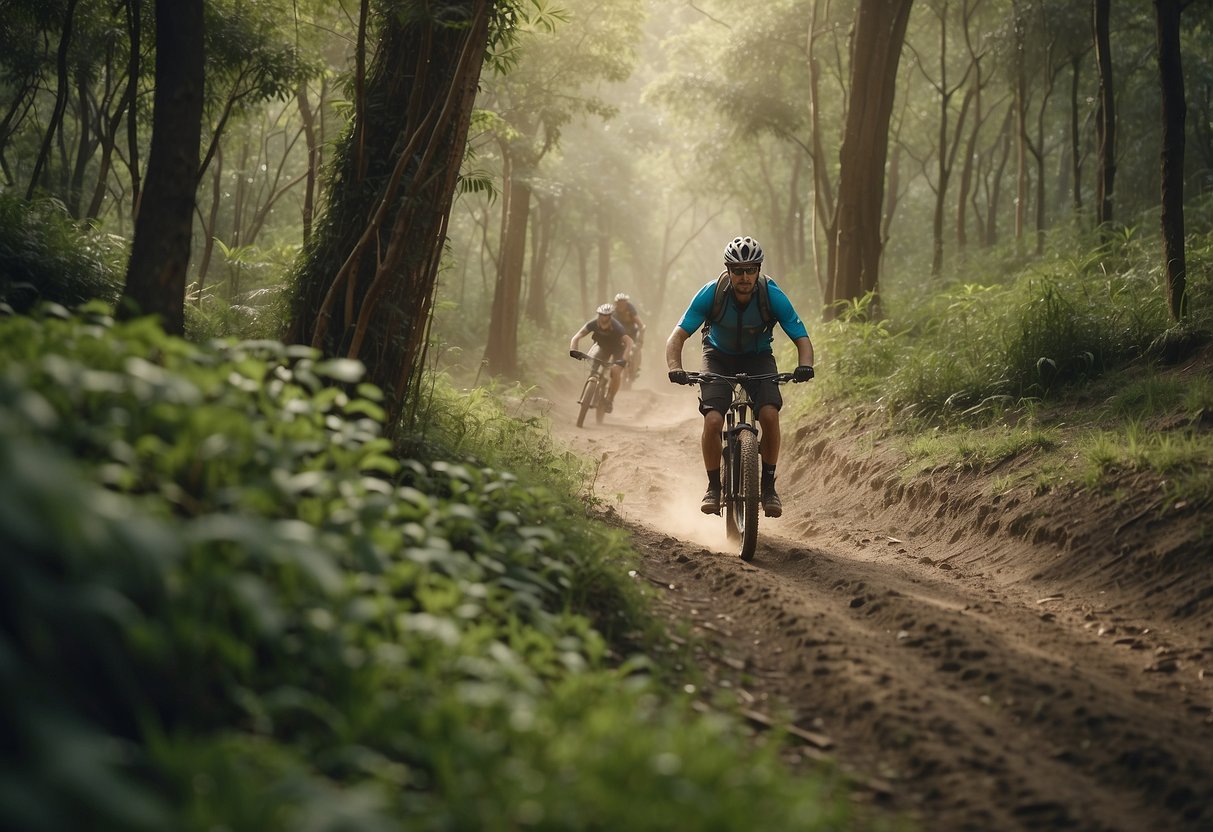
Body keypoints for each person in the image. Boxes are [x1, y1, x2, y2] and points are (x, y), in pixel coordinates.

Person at [665, 235, 814, 518]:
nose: (744, 276)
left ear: (758, 269)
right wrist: (675, 366)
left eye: (750, 269)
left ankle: (768, 488)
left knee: (769, 415)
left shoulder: (772, 295)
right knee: (713, 420)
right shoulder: (712, 293)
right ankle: (713, 487)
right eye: (737, 271)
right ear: (728, 271)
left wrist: (805, 364)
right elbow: (678, 336)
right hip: (717, 355)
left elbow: (801, 337)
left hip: (758, 357)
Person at [570, 302, 634, 413]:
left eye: (607, 316)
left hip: (617, 349)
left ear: (610, 316)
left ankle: (610, 399)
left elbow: (629, 342)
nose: (604, 318)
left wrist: (624, 358)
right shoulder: (593, 324)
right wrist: (573, 350)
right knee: (593, 365)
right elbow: (576, 337)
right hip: (602, 347)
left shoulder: (617, 326)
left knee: (615, 371)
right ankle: (587, 394)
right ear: (598, 315)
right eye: (601, 315)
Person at [612, 293, 646, 381]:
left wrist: (640, 338)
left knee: (637, 350)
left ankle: (636, 368)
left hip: (632, 334)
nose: (621, 305)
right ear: (616, 303)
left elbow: (641, 325)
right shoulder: (613, 313)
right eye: (619, 303)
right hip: (619, 336)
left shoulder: (631, 310)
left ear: (626, 303)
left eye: (623, 303)